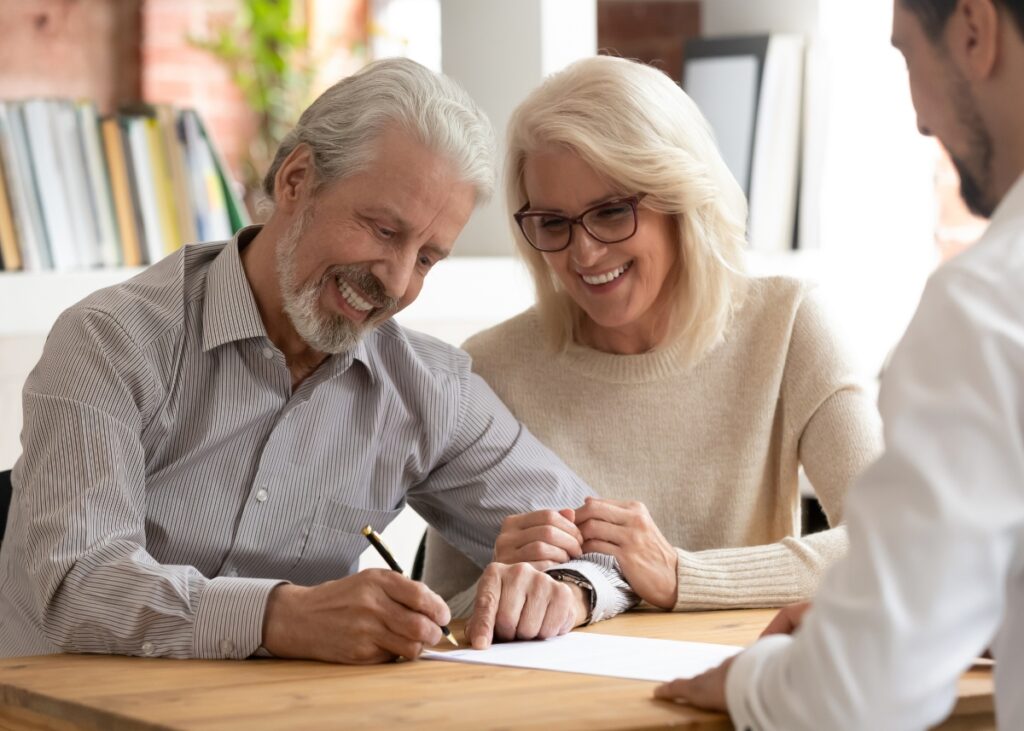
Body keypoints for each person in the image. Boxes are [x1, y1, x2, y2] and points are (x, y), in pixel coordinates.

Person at [0, 58, 637, 664]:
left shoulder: (427, 388)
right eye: (384, 230)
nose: (394, 281)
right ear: (296, 180)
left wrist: (568, 588)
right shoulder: (108, 341)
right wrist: (283, 617)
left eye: (426, 258)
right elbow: (78, 586)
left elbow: (602, 545)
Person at [655, 0, 1024, 727]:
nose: (920, 118)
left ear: (975, 33)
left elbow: (861, 694)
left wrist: (755, 675)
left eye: (907, 56)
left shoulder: (986, 307)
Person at [422, 54, 882, 614]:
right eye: (553, 224)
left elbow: (891, 542)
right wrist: (502, 584)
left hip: (737, 684)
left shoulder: (788, 325)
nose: (584, 253)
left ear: (680, 199)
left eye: (612, 212)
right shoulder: (491, 368)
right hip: (558, 696)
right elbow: (442, 616)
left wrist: (682, 576)